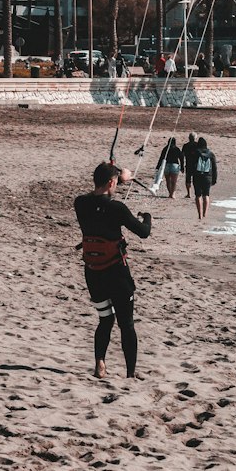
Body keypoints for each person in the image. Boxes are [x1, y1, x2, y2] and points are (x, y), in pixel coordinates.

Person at [74, 162, 151, 380]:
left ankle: (100, 362)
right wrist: (147, 217)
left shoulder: (80, 203)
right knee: (126, 324)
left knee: (105, 319)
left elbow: (96, 197)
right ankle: (130, 373)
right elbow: (143, 232)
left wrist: (116, 177)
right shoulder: (117, 208)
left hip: (93, 273)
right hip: (116, 273)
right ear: (110, 182)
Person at [192, 136, 217, 221]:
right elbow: (214, 168)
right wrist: (214, 179)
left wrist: (190, 176)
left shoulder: (195, 153)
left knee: (198, 195)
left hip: (197, 176)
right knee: (206, 195)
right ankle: (205, 213)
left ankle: (199, 215)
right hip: (208, 177)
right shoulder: (211, 154)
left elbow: (192, 166)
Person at [181, 132, 199, 198]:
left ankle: (189, 193)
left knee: (188, 179)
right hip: (196, 165)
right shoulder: (198, 145)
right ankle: (197, 193)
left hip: (188, 164)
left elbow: (182, 156)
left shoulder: (185, 146)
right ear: (195, 138)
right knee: (196, 180)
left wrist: (182, 166)